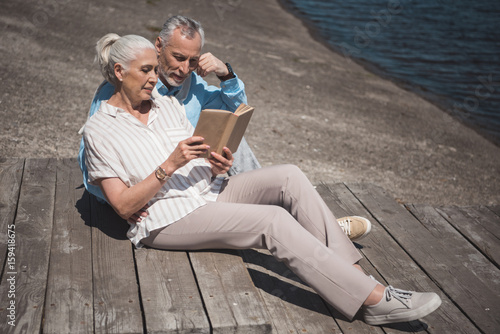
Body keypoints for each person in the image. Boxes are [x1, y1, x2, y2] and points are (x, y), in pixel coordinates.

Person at [82, 33, 442, 326]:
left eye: (153, 70)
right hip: (167, 217)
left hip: (208, 190)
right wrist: (169, 165)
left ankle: (354, 279)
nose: (153, 77)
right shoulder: (100, 130)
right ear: (118, 71)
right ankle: (374, 300)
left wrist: (216, 163)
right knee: (272, 221)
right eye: (146, 70)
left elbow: (198, 155)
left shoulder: (163, 104)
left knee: (289, 175)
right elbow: (124, 204)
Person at [78, 15, 372, 241]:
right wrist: (124, 204)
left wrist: (226, 74)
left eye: (192, 61)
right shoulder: (122, 89)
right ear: (158, 46)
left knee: (237, 142)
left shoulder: (192, 85)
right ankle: (311, 226)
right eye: (177, 58)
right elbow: (90, 154)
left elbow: (235, 111)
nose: (184, 69)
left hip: (197, 175)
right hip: (152, 194)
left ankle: (314, 225)